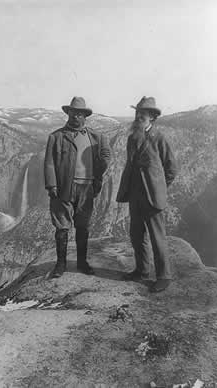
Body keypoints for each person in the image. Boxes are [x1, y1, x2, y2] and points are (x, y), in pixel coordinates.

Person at [44, 96, 111, 278]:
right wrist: (52, 185)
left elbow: (105, 158)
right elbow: (49, 163)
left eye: (80, 114)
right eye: (73, 113)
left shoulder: (96, 138)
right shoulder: (56, 137)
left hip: (87, 188)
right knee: (62, 227)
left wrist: (100, 172)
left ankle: (82, 263)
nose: (76, 117)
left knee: (83, 226)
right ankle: (60, 265)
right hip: (64, 188)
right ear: (68, 114)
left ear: (85, 117)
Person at [116, 96, 178, 292]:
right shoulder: (132, 138)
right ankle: (142, 270)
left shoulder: (160, 138)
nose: (138, 116)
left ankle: (164, 276)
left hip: (153, 197)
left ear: (152, 117)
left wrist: (159, 188)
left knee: (157, 237)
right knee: (136, 235)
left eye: (143, 114)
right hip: (135, 195)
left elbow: (171, 169)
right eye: (137, 113)